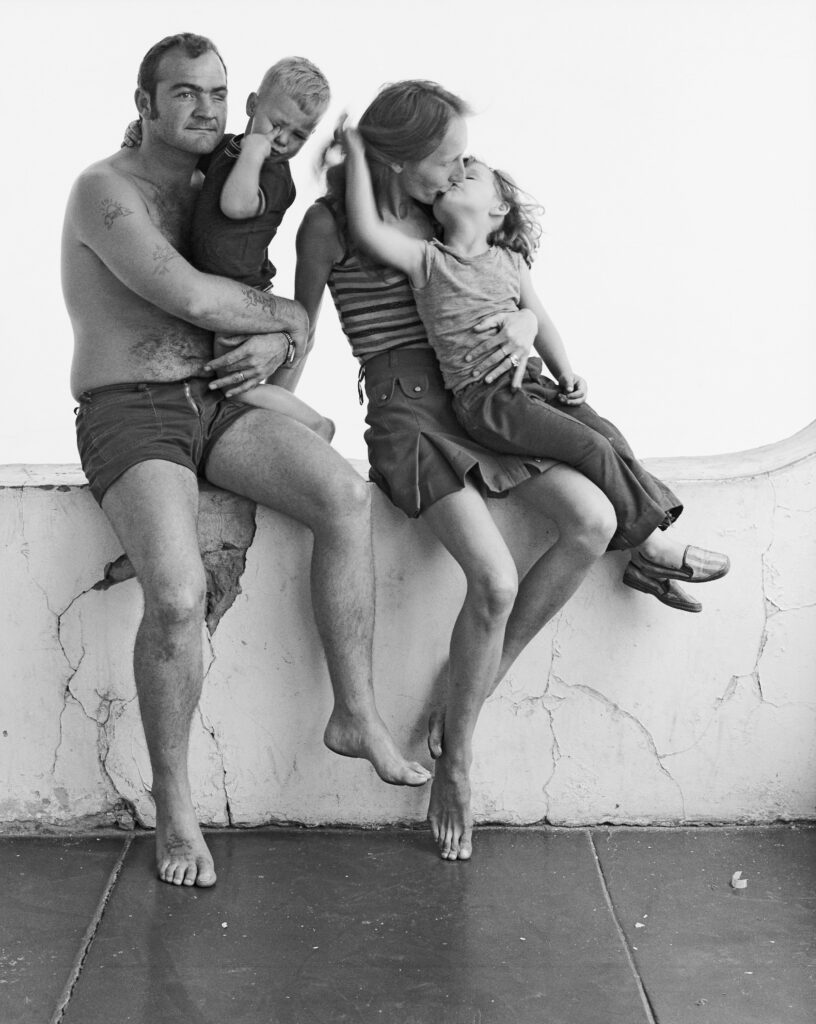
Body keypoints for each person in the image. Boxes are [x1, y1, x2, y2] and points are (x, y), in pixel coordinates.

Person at [62, 34, 431, 889]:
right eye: (183, 93)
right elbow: (188, 296)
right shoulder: (105, 190)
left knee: (343, 495)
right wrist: (289, 323)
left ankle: (354, 712)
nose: (203, 108)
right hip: (134, 411)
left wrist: (278, 333)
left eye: (217, 94)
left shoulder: (221, 183)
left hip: (220, 404)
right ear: (145, 101)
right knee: (181, 592)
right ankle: (176, 809)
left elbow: (276, 257)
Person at [295, 80, 620, 863]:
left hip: (482, 402)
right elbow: (300, 334)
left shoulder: (452, 214)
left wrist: (522, 319)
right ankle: (460, 763)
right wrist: (272, 411)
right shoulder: (334, 224)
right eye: (444, 157)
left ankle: (475, 678)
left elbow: (509, 282)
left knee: (595, 522)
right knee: (496, 581)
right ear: (398, 162)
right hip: (411, 418)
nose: (460, 167)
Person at [342, 139, 730, 603]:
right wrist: (356, 155)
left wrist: (567, 373)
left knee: (606, 433)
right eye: (453, 170)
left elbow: (540, 319)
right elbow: (366, 228)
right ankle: (652, 546)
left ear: (499, 207)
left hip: (533, 386)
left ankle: (647, 557)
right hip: (487, 401)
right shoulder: (428, 260)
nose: (458, 172)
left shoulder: (511, 262)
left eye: (471, 171)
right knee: (590, 446)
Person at [188, 55, 335, 439]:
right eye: (276, 124)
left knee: (237, 382)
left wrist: (256, 150)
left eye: (300, 135)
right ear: (253, 106)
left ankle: (313, 425)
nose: (282, 139)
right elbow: (183, 155)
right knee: (227, 382)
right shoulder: (227, 148)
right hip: (220, 288)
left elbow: (235, 204)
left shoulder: (273, 175)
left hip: (246, 296)